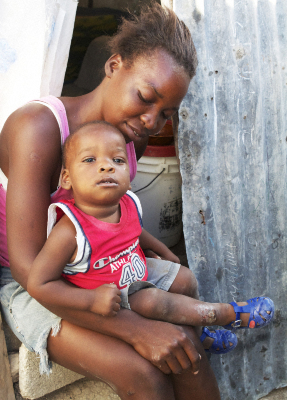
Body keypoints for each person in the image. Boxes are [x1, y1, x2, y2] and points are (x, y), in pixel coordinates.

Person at [0, 4, 273, 400]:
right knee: (142, 372)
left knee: (184, 348)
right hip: (38, 280)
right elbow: (30, 270)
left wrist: (154, 256)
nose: (151, 120)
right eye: (146, 97)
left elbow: (111, 218)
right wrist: (136, 329)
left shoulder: (131, 138)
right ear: (114, 66)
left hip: (102, 263)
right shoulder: (38, 128)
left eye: (166, 113)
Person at [27, 121, 274, 359]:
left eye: (117, 160)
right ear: (67, 178)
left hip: (136, 271)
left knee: (185, 277)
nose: (106, 166)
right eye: (90, 160)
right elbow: (39, 284)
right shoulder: (70, 230)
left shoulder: (127, 201)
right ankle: (225, 313)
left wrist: (162, 249)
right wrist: (90, 300)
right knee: (151, 302)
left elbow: (135, 231)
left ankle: (201, 335)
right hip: (109, 296)